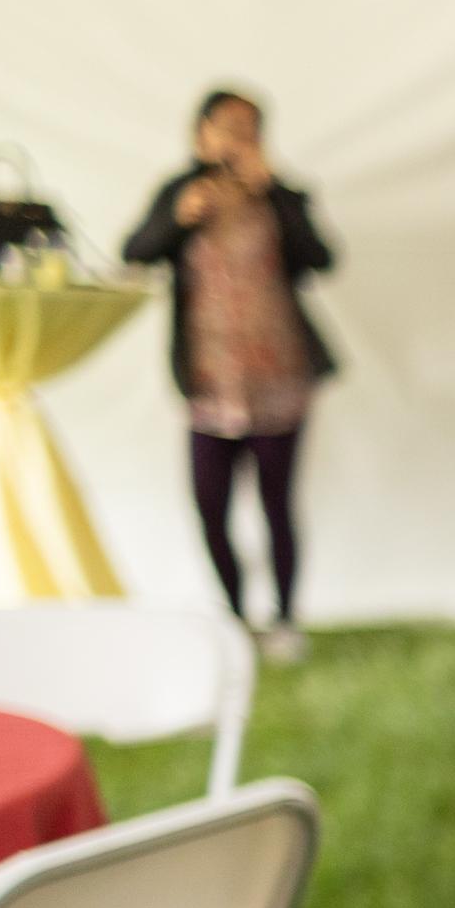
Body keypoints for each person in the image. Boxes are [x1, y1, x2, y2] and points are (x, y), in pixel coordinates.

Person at [120, 90, 337, 665]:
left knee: (276, 503)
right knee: (210, 505)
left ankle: (286, 621)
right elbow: (134, 251)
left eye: (251, 127)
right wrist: (176, 219)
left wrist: (274, 193)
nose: (239, 137)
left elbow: (321, 260)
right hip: (210, 380)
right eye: (227, 126)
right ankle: (236, 618)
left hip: (279, 376)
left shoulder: (281, 195)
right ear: (201, 134)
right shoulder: (180, 194)